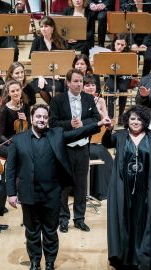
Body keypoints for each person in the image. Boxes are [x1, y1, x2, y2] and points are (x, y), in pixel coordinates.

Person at [6, 104, 110, 270]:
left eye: (45, 117)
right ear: (32, 118)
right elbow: (10, 169)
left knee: (50, 231)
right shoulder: (18, 140)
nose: (41, 120)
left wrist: (98, 124)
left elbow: (78, 132)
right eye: (38, 116)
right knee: (32, 231)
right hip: (29, 193)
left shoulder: (57, 134)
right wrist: (11, 193)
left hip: (52, 192)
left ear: (48, 120)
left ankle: (49, 262)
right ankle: (34, 262)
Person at [102, 105, 151, 270]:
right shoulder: (120, 136)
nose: (135, 122)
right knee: (125, 223)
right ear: (127, 120)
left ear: (145, 121)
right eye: (132, 119)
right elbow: (106, 143)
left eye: (139, 119)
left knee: (143, 224)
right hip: (122, 188)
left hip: (146, 189)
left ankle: (142, 259)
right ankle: (124, 259)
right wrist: (108, 130)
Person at [49, 69, 101, 233]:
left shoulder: (88, 98)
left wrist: (82, 124)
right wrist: (70, 124)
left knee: (81, 186)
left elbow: (96, 120)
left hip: (83, 147)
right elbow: (53, 123)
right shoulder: (57, 100)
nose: (80, 84)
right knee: (64, 186)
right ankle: (63, 219)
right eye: (76, 81)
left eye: (81, 82)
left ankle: (79, 219)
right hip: (65, 148)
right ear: (68, 83)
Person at [83, 75, 112, 200]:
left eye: (93, 85)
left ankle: (105, 190)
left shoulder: (100, 101)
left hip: (96, 139)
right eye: (87, 85)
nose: (91, 87)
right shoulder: (80, 100)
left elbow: (107, 122)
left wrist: (98, 110)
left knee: (104, 153)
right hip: (83, 139)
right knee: (94, 153)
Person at [28, 16, 69, 103]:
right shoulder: (36, 42)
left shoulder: (61, 41)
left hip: (57, 74)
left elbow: (65, 60)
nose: (43, 29)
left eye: (46, 26)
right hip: (41, 74)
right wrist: (40, 76)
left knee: (58, 88)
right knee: (41, 88)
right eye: (41, 26)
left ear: (52, 28)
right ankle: (53, 108)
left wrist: (59, 72)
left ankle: (56, 109)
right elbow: (34, 61)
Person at [0, 80, 31, 158]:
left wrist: (26, 120)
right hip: (7, 142)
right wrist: (11, 143)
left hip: (23, 140)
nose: (16, 93)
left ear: (21, 90)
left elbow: (30, 128)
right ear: (8, 93)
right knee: (17, 154)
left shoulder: (25, 106)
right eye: (12, 91)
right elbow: (1, 135)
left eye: (18, 90)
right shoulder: (4, 110)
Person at [105, 34, 132, 121]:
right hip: (111, 75)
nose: (120, 47)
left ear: (126, 45)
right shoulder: (108, 50)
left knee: (123, 88)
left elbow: (133, 67)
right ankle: (110, 115)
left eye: (122, 45)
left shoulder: (129, 53)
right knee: (111, 87)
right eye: (118, 44)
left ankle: (121, 114)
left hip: (124, 75)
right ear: (114, 43)